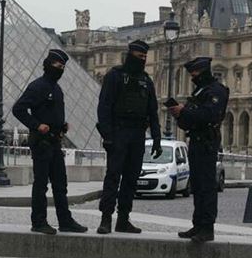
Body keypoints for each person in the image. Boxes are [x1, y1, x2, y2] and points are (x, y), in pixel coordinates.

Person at [12, 49, 88, 234]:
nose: (60, 69)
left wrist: (62, 126)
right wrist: (37, 125)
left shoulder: (56, 88)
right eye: (57, 65)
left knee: (60, 184)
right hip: (42, 142)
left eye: (62, 67)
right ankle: (38, 222)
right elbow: (18, 109)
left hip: (55, 141)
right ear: (48, 64)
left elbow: (52, 113)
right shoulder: (37, 86)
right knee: (41, 184)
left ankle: (65, 221)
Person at [95, 39, 162, 234]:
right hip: (119, 132)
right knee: (113, 177)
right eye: (139, 56)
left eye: (144, 57)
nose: (142, 60)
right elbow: (104, 107)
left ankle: (123, 218)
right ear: (130, 54)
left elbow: (153, 111)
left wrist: (157, 139)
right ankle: (106, 218)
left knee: (131, 179)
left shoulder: (146, 81)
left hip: (138, 134)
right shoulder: (114, 76)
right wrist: (107, 135)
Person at [169, 57, 229, 242]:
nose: (193, 76)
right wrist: (179, 115)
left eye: (194, 73)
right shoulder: (199, 91)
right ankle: (198, 224)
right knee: (197, 184)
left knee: (207, 185)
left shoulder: (216, 91)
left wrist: (184, 112)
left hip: (207, 142)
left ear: (203, 71)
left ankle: (207, 227)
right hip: (195, 140)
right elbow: (189, 121)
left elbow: (209, 115)